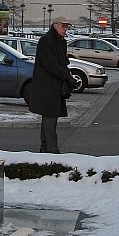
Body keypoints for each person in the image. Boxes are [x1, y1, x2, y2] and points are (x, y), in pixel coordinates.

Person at [28, 17, 78, 153]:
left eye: (67, 27)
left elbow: (62, 63)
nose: (65, 29)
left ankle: (45, 149)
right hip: (46, 87)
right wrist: (67, 77)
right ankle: (52, 151)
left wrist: (68, 77)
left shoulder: (61, 42)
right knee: (50, 117)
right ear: (55, 25)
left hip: (55, 86)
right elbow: (51, 65)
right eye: (63, 26)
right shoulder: (46, 40)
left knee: (49, 118)